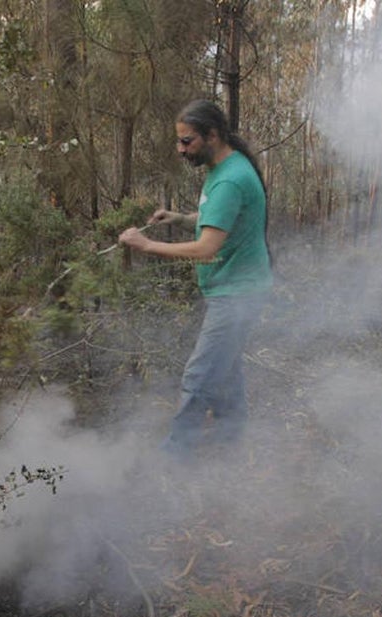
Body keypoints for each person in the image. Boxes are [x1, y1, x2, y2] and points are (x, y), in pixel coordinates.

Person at [118, 99, 272, 458]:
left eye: (187, 141)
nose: (180, 149)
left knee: (199, 376)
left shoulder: (231, 179)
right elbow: (217, 219)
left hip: (238, 294)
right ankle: (230, 444)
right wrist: (178, 218)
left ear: (212, 135)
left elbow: (206, 249)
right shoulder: (225, 168)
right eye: (179, 141)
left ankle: (174, 459)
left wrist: (146, 245)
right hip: (236, 289)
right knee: (226, 371)